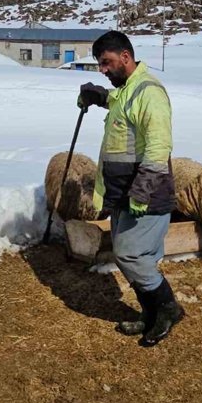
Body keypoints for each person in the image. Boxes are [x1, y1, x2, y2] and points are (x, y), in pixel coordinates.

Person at [77, 30, 184, 346]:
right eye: (100, 65)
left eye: (107, 63)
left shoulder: (149, 92)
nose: (103, 70)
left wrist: (142, 190)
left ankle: (168, 310)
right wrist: (97, 96)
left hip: (145, 195)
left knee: (130, 255)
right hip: (124, 193)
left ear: (126, 56)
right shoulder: (127, 90)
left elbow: (158, 146)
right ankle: (150, 315)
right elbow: (118, 102)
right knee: (133, 257)